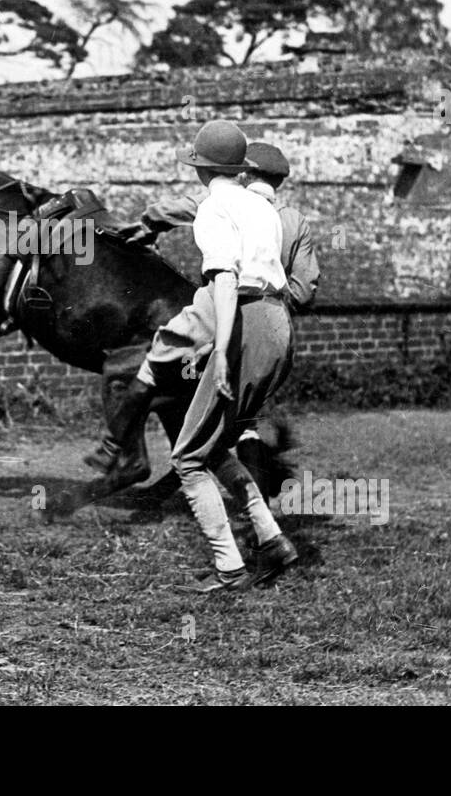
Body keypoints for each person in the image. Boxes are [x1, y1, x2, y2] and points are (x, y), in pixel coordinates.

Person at [91, 141, 317, 481]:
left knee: (155, 370)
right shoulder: (294, 222)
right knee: (243, 422)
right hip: (269, 325)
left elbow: (174, 210)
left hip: (219, 315)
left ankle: (115, 446)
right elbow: (306, 286)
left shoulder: (227, 201)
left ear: (244, 173)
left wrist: (147, 225)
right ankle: (261, 515)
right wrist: (277, 299)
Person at [155, 120, 296, 592]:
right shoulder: (262, 205)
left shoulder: (213, 209)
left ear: (199, 169)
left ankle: (229, 568)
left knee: (188, 458)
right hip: (279, 324)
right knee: (214, 444)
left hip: (246, 323)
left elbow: (225, 282)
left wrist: (219, 350)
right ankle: (272, 540)